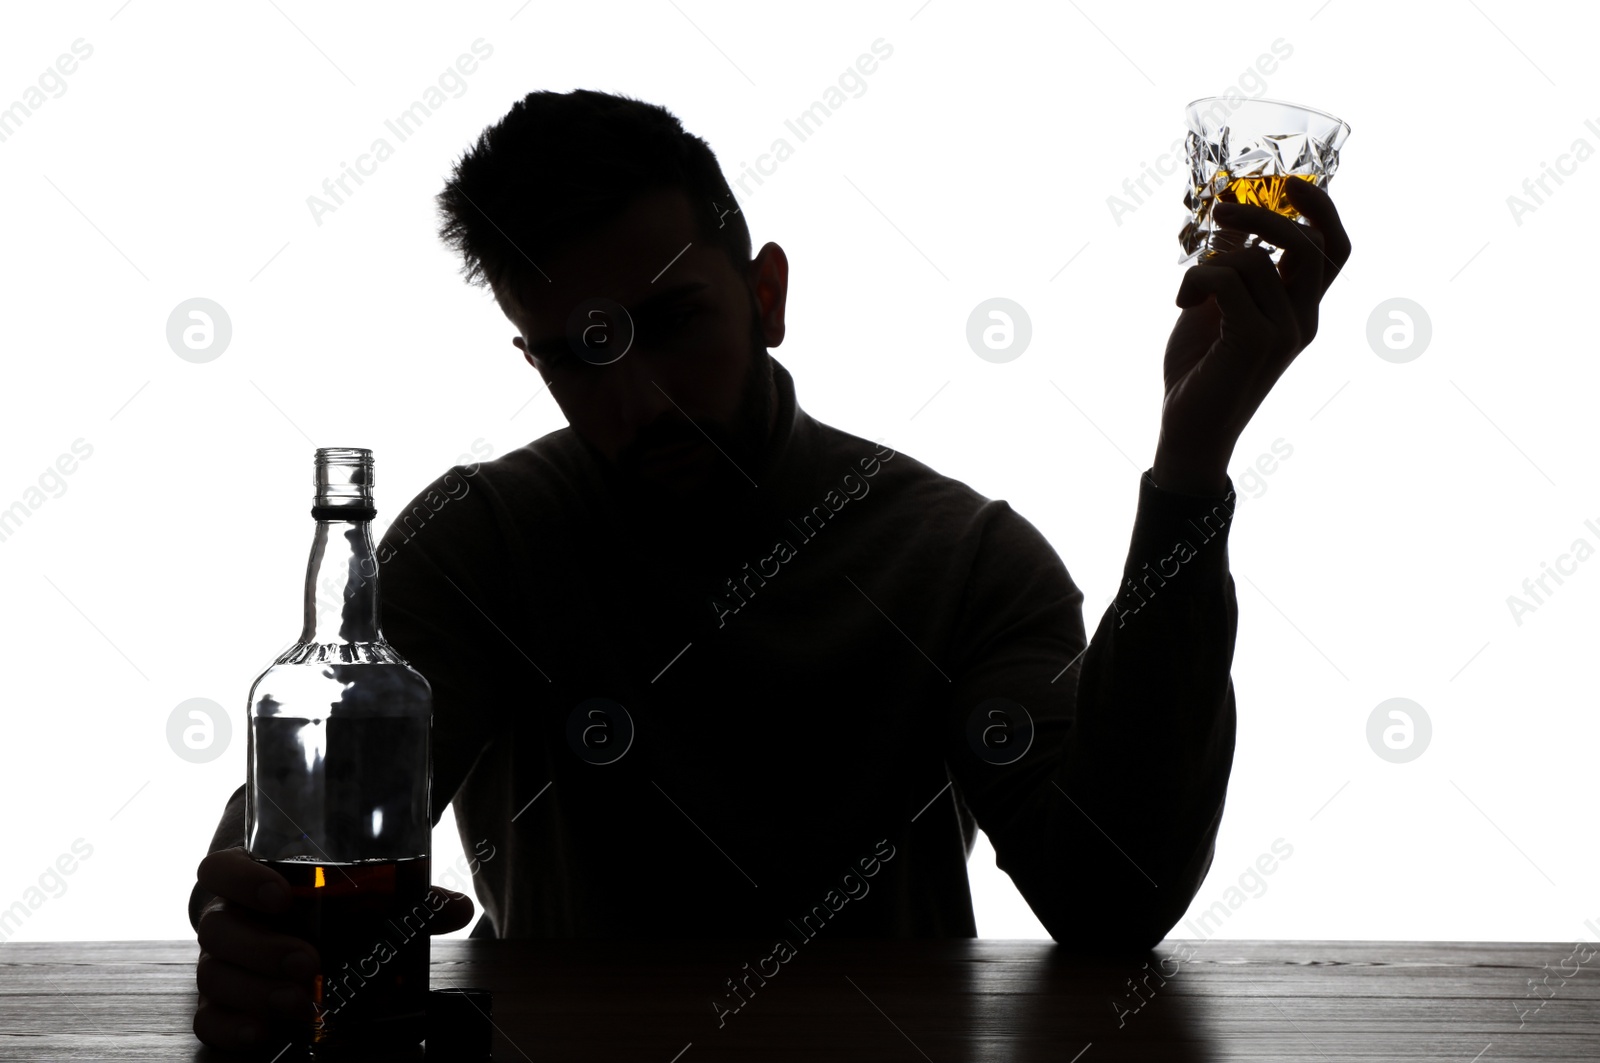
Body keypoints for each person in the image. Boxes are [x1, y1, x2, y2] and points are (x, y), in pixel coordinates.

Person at [188, 88, 1351, 1052]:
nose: (634, 399)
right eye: (578, 357)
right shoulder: (482, 541)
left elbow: (1112, 894)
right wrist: (243, 891)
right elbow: (314, 811)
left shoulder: (959, 559)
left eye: (669, 321)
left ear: (768, 296)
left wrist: (1192, 461)